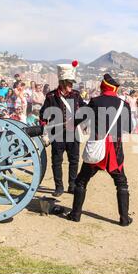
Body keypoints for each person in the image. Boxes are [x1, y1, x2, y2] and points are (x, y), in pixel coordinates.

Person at [67, 73, 133, 227]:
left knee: (81, 181)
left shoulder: (95, 101)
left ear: (103, 86)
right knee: (121, 183)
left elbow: (78, 119)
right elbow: (128, 129)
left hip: (97, 147)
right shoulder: (124, 104)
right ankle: (124, 219)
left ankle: (75, 215)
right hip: (114, 151)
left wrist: (70, 124)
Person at [40, 61, 85, 197]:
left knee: (74, 160)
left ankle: (72, 185)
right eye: (69, 83)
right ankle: (59, 187)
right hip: (57, 134)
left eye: (72, 83)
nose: (72, 85)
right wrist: (46, 129)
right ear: (63, 83)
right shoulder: (51, 96)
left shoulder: (76, 95)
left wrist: (78, 120)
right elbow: (43, 115)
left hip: (73, 134)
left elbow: (85, 110)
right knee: (57, 161)